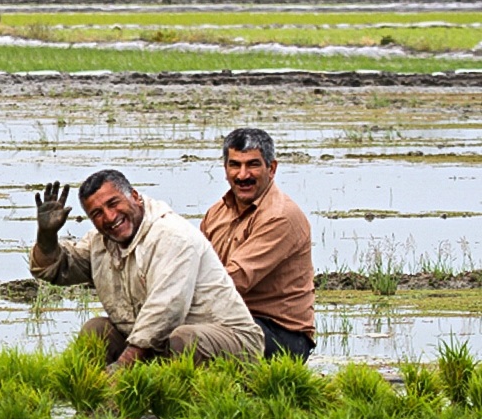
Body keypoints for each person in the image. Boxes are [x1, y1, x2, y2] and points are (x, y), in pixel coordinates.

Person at [30, 169, 263, 370]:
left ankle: (183, 412)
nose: (110, 217)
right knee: (96, 331)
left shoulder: (172, 235)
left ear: (135, 197)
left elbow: (165, 309)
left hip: (230, 341)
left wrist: (123, 366)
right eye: (97, 214)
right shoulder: (100, 242)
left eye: (113, 204)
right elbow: (54, 270)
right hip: (158, 343)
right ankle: (100, 407)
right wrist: (47, 235)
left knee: (183, 340)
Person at [200, 128, 316, 361]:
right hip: (231, 317)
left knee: (188, 336)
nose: (243, 175)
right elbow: (195, 265)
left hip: (280, 334)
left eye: (252, 164)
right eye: (235, 165)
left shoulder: (280, 215)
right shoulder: (216, 212)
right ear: (225, 170)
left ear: (271, 168)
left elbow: (233, 281)